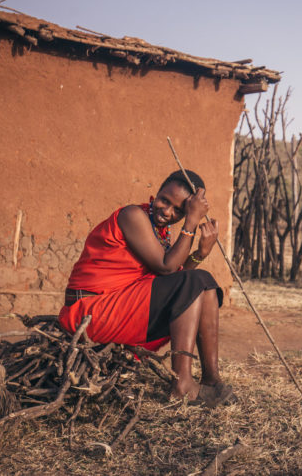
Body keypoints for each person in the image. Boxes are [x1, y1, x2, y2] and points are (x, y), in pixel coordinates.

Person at [58, 170, 234, 407]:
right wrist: (191, 220)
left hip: (117, 305)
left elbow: (178, 282)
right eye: (164, 200)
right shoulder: (133, 215)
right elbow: (167, 268)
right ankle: (182, 384)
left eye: (178, 211)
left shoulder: (160, 232)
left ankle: (212, 380)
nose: (167, 211)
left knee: (206, 284)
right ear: (156, 194)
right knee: (196, 281)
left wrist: (201, 253)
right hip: (89, 310)